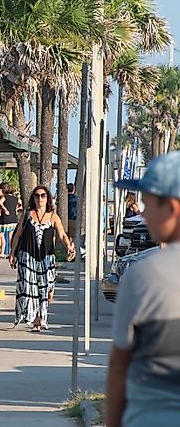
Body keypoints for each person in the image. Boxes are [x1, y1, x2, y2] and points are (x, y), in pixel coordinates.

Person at [106, 152, 180, 427]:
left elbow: (119, 365)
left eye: (148, 205)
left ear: (172, 208)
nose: (144, 215)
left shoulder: (144, 275)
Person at [9, 185, 74, 332]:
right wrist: (12, 253)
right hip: (27, 257)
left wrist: (68, 246)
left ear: (47, 198)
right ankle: (37, 319)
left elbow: (62, 234)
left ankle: (40, 315)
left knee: (48, 290)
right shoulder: (27, 215)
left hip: (46, 258)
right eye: (37, 196)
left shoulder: (53, 216)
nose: (40, 198)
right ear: (33, 198)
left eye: (43, 195)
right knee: (31, 289)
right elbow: (17, 235)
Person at [0, 182, 20, 256]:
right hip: (14, 218)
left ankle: (1, 252)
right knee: (11, 236)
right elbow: (21, 203)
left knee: (0, 234)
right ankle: (12, 252)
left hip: (5, 218)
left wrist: (5, 209)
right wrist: (16, 209)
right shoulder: (16, 198)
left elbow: (0, 202)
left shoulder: (4, 197)